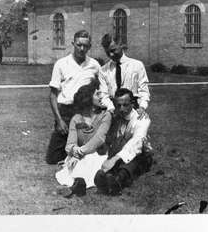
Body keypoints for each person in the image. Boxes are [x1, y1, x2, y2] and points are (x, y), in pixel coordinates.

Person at [46, 30, 101, 164]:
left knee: (87, 149)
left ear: (89, 46)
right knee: (52, 158)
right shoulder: (61, 63)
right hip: (66, 112)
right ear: (73, 44)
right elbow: (53, 95)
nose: (82, 49)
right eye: (79, 45)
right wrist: (59, 120)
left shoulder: (94, 65)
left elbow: (101, 90)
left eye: (85, 46)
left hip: (85, 113)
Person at [55, 79, 112, 196]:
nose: (101, 97)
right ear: (88, 98)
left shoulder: (106, 115)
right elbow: (70, 144)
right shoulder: (76, 118)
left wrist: (78, 152)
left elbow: (99, 139)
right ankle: (79, 183)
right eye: (97, 94)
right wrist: (75, 152)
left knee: (93, 161)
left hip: (99, 153)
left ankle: (82, 182)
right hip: (80, 155)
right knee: (77, 163)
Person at [94, 88, 153, 196]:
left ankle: (118, 181)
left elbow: (136, 143)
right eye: (118, 105)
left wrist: (115, 159)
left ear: (132, 103)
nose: (121, 109)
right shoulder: (116, 117)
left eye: (125, 105)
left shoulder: (142, 119)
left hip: (140, 154)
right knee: (110, 160)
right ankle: (106, 178)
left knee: (130, 164)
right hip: (120, 151)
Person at [99, 33, 150, 119]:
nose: (111, 55)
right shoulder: (103, 70)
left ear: (121, 45)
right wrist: (111, 108)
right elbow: (103, 94)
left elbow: (144, 91)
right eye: (107, 52)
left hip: (134, 110)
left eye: (113, 50)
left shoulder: (137, 65)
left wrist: (142, 107)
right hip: (113, 111)